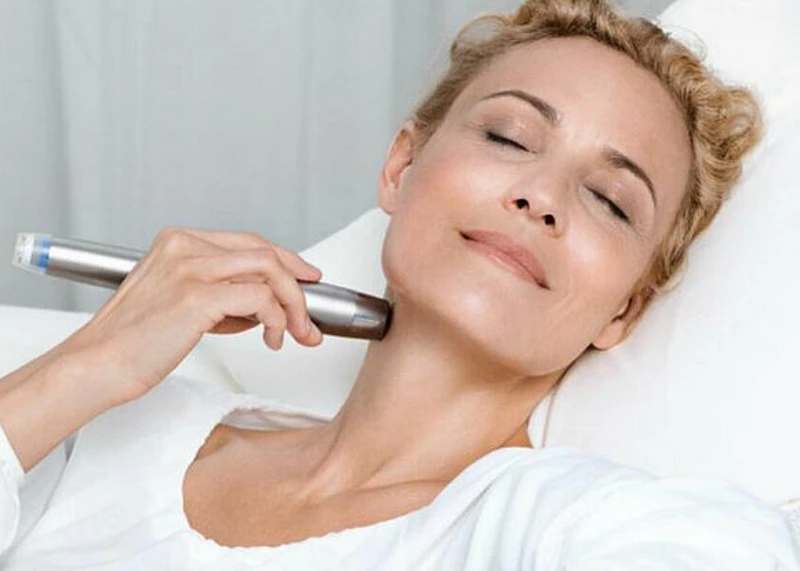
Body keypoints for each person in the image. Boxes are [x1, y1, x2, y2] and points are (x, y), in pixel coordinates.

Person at [0, 0, 796, 569]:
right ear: (401, 167)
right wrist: (90, 363)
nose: (542, 197)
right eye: (509, 136)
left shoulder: (579, 523)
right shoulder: (124, 432)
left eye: (609, 200)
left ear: (623, 308)